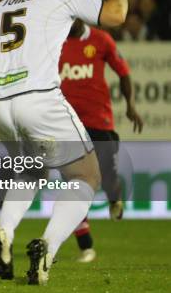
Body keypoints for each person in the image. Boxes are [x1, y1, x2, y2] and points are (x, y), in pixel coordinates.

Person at [0, 0, 128, 285]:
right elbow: (116, 15)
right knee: (86, 175)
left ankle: (3, 237)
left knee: (31, 172)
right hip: (37, 98)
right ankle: (47, 249)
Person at [60, 19, 143, 263]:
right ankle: (86, 247)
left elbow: (123, 73)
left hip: (99, 121)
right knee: (74, 184)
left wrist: (130, 106)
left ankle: (114, 197)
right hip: (66, 124)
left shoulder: (101, 40)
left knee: (107, 176)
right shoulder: (53, 40)